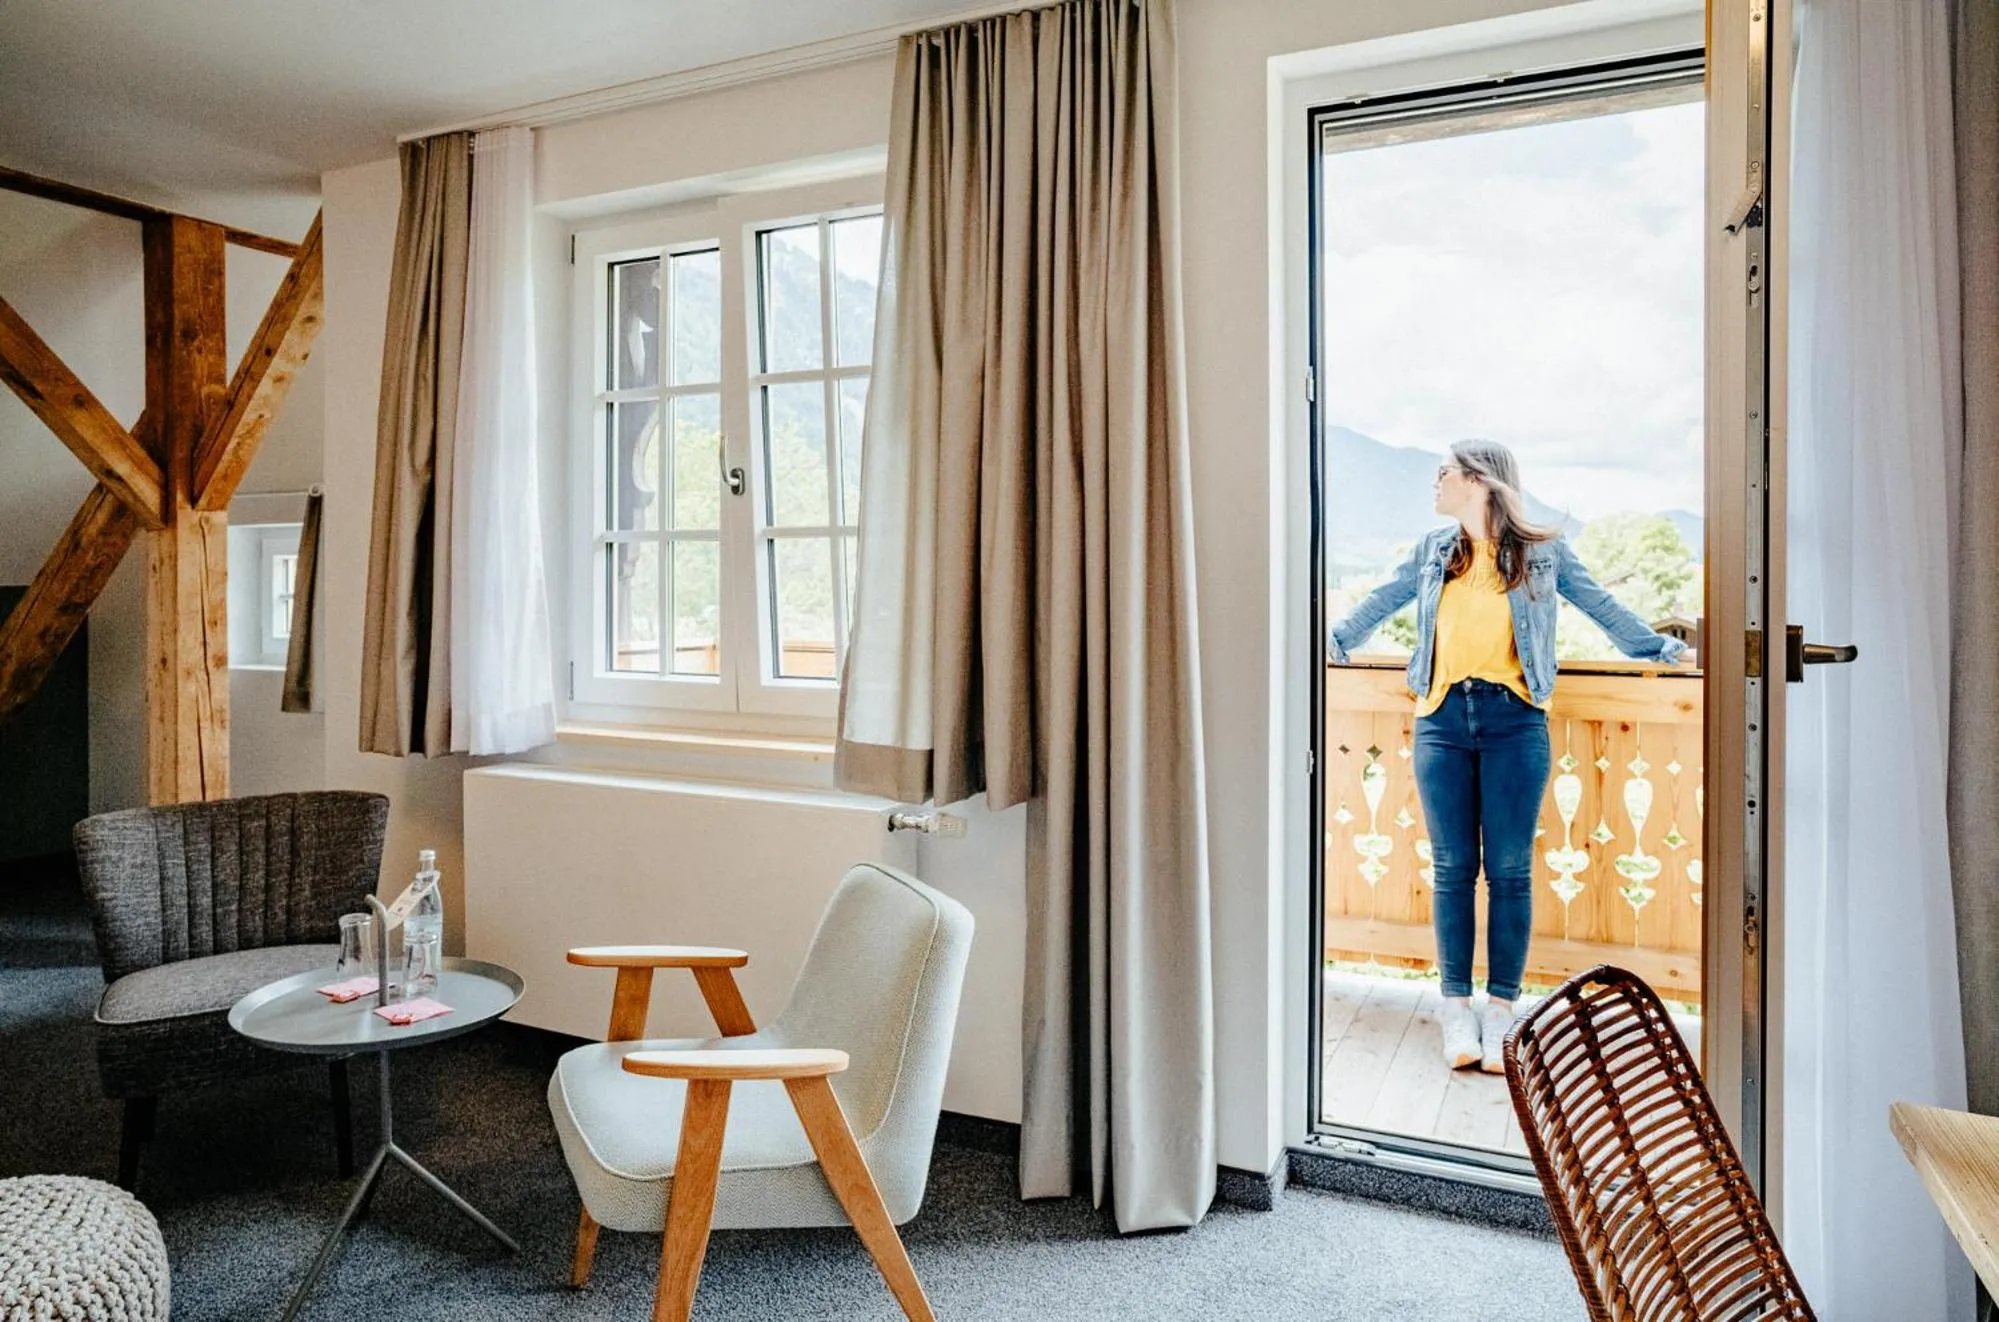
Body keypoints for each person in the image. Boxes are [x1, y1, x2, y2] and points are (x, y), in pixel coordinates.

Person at [1328, 440, 1691, 1072]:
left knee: (1510, 871)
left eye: (1444, 473)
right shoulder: (1434, 551)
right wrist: (1328, 641)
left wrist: (1662, 651)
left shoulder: (1542, 554)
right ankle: (1454, 1011)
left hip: (1515, 721)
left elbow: (1601, 607)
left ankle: (1501, 1012)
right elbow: (1381, 602)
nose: (1435, 483)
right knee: (1451, 869)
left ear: (1479, 481)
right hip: (1441, 719)